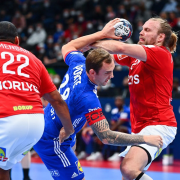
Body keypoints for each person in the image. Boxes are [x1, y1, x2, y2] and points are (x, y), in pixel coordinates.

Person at [33, 19, 163, 180]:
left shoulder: (79, 63)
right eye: (107, 73)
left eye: (112, 70)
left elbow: (68, 46)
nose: (112, 76)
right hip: (53, 140)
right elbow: (106, 137)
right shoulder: (88, 97)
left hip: (51, 125)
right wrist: (145, 139)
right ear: (93, 72)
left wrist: (102, 34)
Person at [90, 17, 177, 180]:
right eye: (142, 29)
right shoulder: (136, 58)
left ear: (160, 38)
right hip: (141, 127)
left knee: (129, 169)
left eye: (148, 30)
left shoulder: (159, 53)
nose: (141, 32)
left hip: (158, 124)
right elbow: (107, 54)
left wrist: (92, 40)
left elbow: (119, 47)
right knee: (129, 176)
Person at [0, 21, 74, 180]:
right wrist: (69, 129)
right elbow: (57, 100)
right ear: (17, 40)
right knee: (3, 169)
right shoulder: (33, 58)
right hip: (35, 124)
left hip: (6, 119)